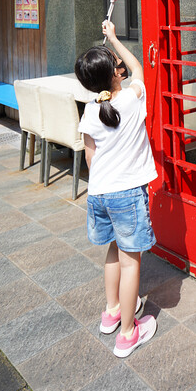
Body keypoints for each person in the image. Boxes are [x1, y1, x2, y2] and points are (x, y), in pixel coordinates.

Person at [75, 19, 158, 358]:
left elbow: (91, 158)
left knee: (112, 252)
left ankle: (111, 312)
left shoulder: (91, 111)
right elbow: (140, 68)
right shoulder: (131, 100)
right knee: (130, 262)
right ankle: (127, 332)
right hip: (126, 193)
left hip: (99, 194)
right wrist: (113, 37)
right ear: (116, 73)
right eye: (116, 64)